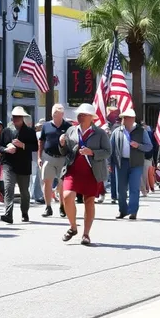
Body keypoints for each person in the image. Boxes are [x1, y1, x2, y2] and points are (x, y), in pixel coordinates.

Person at [58, 103, 111, 245]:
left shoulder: (99, 133)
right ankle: (73, 227)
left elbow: (108, 151)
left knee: (89, 201)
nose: (80, 116)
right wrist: (62, 144)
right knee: (67, 196)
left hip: (92, 172)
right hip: (73, 170)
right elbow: (65, 152)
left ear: (91, 117)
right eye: (79, 114)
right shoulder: (71, 130)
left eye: (83, 114)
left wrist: (92, 152)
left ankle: (86, 234)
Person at [0, 106, 38, 224]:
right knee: (8, 188)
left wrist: (22, 145)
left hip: (23, 165)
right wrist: (6, 149)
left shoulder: (29, 131)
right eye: (14, 117)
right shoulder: (6, 131)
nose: (16, 120)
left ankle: (24, 211)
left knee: (24, 191)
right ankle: (8, 214)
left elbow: (35, 146)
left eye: (18, 117)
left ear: (22, 118)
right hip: (8, 163)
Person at [109, 109, 152, 220]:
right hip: (120, 163)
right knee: (121, 189)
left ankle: (133, 211)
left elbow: (149, 146)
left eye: (126, 118)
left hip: (136, 164)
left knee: (134, 188)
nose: (123, 120)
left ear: (132, 119)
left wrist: (138, 145)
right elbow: (111, 148)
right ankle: (123, 210)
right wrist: (110, 163)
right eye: (123, 117)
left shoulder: (141, 131)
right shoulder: (117, 132)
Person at [38, 104, 71, 217]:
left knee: (62, 184)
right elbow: (41, 141)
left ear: (62, 114)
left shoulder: (68, 126)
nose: (54, 116)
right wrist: (39, 157)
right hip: (48, 157)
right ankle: (48, 207)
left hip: (62, 158)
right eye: (53, 114)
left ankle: (62, 206)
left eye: (57, 114)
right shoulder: (46, 126)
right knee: (47, 182)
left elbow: (72, 143)